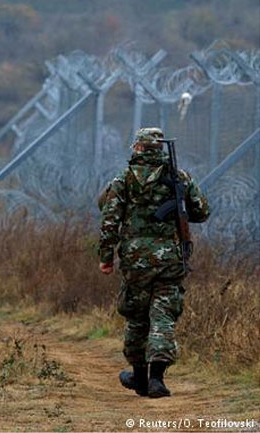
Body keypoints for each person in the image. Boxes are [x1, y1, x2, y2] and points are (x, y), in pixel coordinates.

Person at [98, 127, 209, 398]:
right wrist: (178, 196)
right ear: (159, 149)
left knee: (136, 317)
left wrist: (106, 257)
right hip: (169, 259)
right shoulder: (178, 177)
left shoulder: (123, 179)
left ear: (137, 148)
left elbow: (109, 218)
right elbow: (202, 212)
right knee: (163, 316)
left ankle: (138, 377)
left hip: (135, 261)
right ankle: (157, 379)